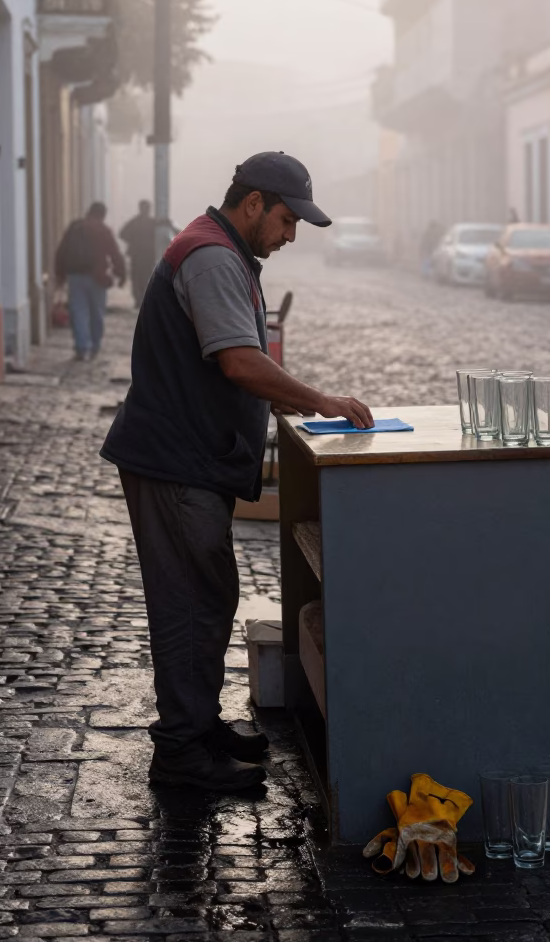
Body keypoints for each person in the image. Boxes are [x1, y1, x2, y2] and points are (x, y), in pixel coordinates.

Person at [100, 152, 374, 793]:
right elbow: (238, 363)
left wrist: (284, 399)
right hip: (176, 463)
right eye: (285, 219)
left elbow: (234, 367)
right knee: (189, 605)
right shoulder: (214, 257)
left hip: (189, 458)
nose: (290, 235)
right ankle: (180, 754)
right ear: (251, 204)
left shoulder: (221, 250)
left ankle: (197, 728)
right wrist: (321, 400)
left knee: (208, 597)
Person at [55, 202, 126, 361]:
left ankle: (81, 347)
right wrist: (121, 274)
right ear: (102, 215)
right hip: (97, 276)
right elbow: (115, 253)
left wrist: (60, 274)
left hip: (75, 276)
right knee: (97, 312)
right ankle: (95, 346)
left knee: (78, 311)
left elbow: (62, 250)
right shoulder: (103, 230)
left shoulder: (75, 227)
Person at [119, 200, 157, 308]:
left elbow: (122, 234)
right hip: (145, 255)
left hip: (139, 255)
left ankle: (139, 299)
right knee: (142, 277)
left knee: (138, 277)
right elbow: (122, 234)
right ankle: (141, 299)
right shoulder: (151, 222)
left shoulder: (136, 222)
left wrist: (133, 241)